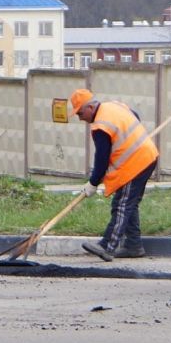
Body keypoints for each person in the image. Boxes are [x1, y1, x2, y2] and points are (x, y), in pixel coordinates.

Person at [67, 89, 159, 262]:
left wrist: (93, 183)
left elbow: (101, 159)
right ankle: (133, 245)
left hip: (137, 162)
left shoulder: (100, 126)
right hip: (145, 156)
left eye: (80, 113)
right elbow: (135, 116)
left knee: (122, 205)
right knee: (127, 203)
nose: (80, 118)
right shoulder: (114, 106)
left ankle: (107, 246)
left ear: (91, 107)